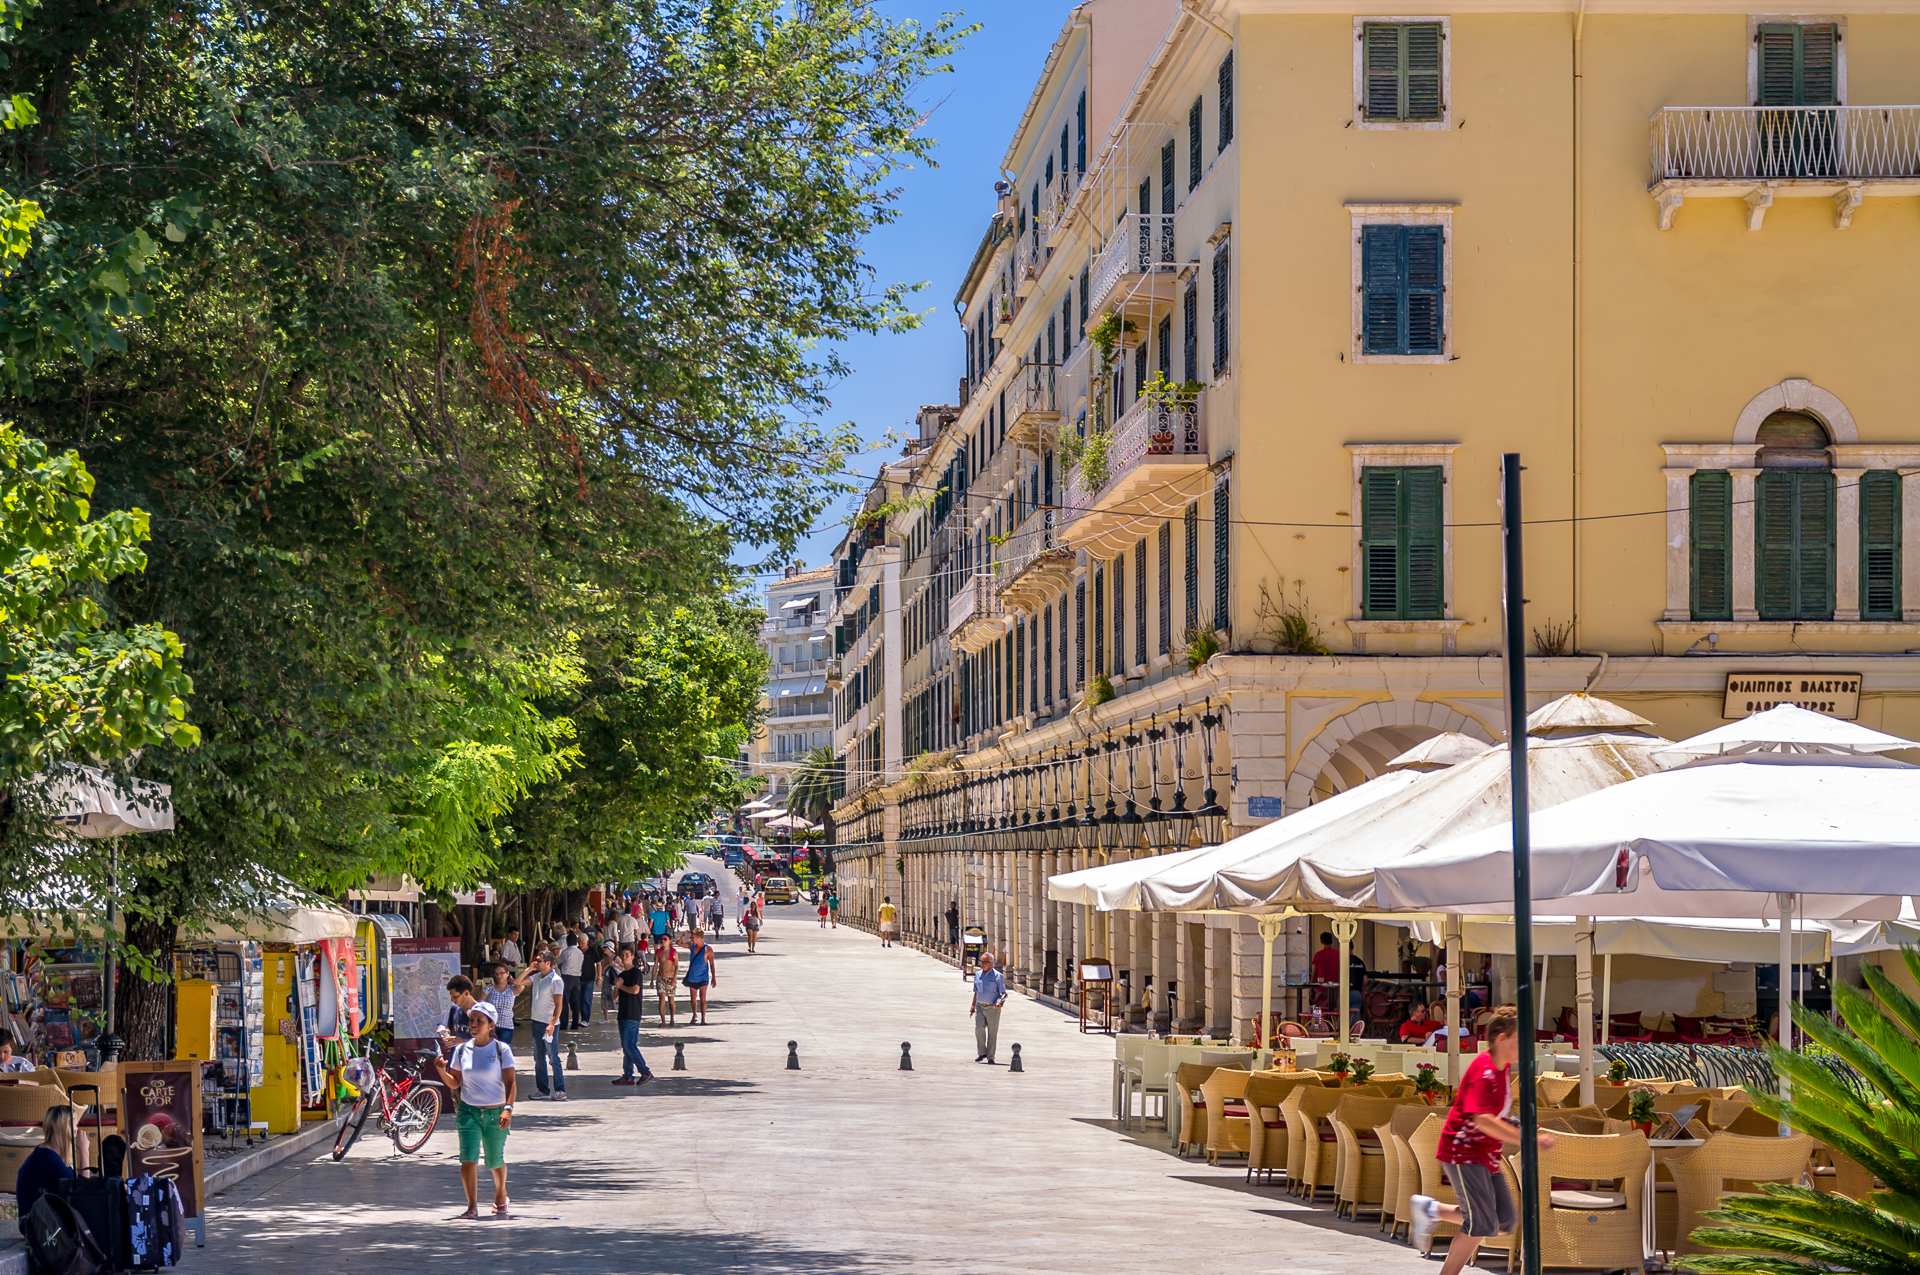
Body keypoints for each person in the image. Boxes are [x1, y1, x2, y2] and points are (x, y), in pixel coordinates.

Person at [1410, 1013, 1556, 1275]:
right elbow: (1483, 1120)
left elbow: (1495, 1113)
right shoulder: (1485, 1072)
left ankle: (1430, 1209)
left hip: (1486, 1154)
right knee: (1481, 1223)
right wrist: (1528, 1140)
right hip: (1464, 1152)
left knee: (1503, 1221)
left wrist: (1518, 1125)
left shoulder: (1503, 1068)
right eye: (1520, 1039)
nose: (1527, 1046)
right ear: (1502, 1039)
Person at [431, 1000, 515, 1219]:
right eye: (472, 1020)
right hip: (468, 1111)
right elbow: (454, 1083)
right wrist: (441, 1071)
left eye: (480, 1021)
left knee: (494, 1160)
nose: (474, 1024)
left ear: (491, 1025)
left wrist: (508, 1109)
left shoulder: (501, 1049)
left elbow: (511, 1083)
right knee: (468, 1159)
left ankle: (501, 1192)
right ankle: (472, 1207)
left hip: (496, 1113)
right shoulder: (461, 1050)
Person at [15, 1104, 88, 1226]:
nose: (77, 1129)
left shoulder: (45, 1153)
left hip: (34, 1222)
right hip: (36, 1227)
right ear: (66, 1127)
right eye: (75, 1125)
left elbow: (77, 1180)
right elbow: (84, 1190)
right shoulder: (48, 1158)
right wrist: (84, 1151)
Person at [513, 950, 567, 1101]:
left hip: (549, 1024)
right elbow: (518, 982)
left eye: (539, 960)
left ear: (548, 963)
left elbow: (558, 1005)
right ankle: (542, 1089)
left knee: (553, 1057)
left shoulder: (555, 980)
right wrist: (530, 969)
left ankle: (560, 1089)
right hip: (536, 1021)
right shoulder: (537, 977)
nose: (537, 961)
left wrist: (551, 1024)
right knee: (538, 1058)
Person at [611, 950, 656, 1087]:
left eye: (626, 955)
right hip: (622, 1013)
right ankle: (628, 1075)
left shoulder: (636, 973)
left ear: (632, 957)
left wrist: (621, 986)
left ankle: (645, 1071)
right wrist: (617, 987)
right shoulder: (622, 974)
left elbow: (635, 990)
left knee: (630, 1045)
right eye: (622, 955)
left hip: (633, 1013)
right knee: (626, 1047)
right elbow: (614, 997)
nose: (624, 958)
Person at [970, 950, 1008, 1064]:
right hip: (980, 1006)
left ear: (991, 963)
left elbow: (1003, 993)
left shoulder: (998, 976)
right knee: (979, 1028)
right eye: (981, 961)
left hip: (992, 1008)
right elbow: (976, 992)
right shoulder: (977, 974)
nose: (981, 964)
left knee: (992, 1032)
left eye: (984, 962)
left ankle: (991, 1056)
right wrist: (973, 1005)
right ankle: (982, 1053)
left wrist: (1000, 1003)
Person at [437, 975, 479, 1054]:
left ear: (466, 993)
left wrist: (461, 1041)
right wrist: (445, 1032)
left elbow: (487, 1042)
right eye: (451, 996)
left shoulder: (481, 1013)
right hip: (456, 1058)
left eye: (455, 996)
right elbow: (452, 1030)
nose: (452, 1000)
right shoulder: (454, 1009)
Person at [681, 929, 716, 1026]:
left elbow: (712, 964)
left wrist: (713, 977)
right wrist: (684, 934)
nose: (691, 938)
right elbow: (678, 943)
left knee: (703, 998)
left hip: (703, 977)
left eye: (692, 937)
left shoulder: (708, 949)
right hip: (692, 976)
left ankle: (703, 1018)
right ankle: (694, 1014)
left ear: (698, 937)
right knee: (693, 999)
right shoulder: (691, 946)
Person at [556, 933, 586, 1031]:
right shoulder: (580, 953)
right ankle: (575, 1023)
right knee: (575, 1002)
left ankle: (564, 1024)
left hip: (567, 978)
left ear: (567, 942)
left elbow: (558, 962)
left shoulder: (566, 952)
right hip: (577, 978)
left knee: (564, 1002)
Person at [483, 963, 518, 1045]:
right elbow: (480, 1004)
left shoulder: (512, 989)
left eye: (502, 973)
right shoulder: (489, 988)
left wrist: (512, 981)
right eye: (497, 974)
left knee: (503, 1051)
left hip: (506, 1026)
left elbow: (521, 987)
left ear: (507, 973)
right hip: (491, 1026)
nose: (499, 976)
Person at [655, 934, 680, 1025]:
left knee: (671, 1000)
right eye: (661, 939)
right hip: (660, 977)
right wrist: (652, 979)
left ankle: (672, 1018)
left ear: (670, 941)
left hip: (670, 978)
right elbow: (655, 966)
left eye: (665, 939)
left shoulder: (674, 952)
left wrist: (674, 978)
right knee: (661, 997)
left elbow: (676, 966)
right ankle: (663, 1020)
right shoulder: (658, 952)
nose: (663, 941)